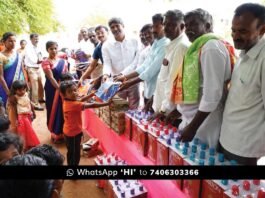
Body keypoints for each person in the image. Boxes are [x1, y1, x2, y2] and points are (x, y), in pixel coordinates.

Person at [170, 8, 235, 148]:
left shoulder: (211, 47)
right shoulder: (200, 46)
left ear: (207, 26)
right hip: (194, 119)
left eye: (193, 24)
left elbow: (212, 95)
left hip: (205, 122)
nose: (188, 29)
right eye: (186, 25)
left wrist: (192, 127)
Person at [219, 3, 265, 165]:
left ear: (262, 30)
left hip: (245, 147)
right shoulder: (245, 51)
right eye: (233, 30)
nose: (235, 36)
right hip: (227, 138)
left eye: (243, 31)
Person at [117, 14, 170, 111]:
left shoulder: (165, 44)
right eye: (153, 26)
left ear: (164, 26)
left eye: (157, 26)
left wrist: (129, 82)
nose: (154, 30)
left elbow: (151, 70)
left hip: (158, 93)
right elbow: (145, 66)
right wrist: (125, 77)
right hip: (149, 90)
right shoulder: (156, 43)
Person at [151, 10, 190, 123]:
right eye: (165, 24)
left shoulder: (181, 47)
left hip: (170, 113)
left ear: (182, 26)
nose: (166, 28)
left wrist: (163, 110)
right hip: (163, 109)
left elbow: (174, 83)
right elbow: (163, 78)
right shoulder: (171, 44)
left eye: (171, 24)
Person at [60, 80, 109, 165]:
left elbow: (81, 99)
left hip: (68, 132)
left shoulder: (67, 101)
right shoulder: (74, 105)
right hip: (73, 133)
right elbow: (92, 105)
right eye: (70, 92)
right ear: (64, 95)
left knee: (71, 152)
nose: (74, 93)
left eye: (75, 90)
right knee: (75, 153)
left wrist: (92, 94)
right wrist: (106, 104)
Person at [102, 17, 140, 109]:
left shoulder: (134, 41)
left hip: (132, 80)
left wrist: (123, 74)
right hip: (116, 83)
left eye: (117, 26)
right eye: (112, 27)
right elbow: (107, 63)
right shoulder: (106, 45)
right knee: (119, 110)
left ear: (123, 26)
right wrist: (106, 74)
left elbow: (136, 61)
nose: (115, 29)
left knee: (134, 110)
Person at [42, 41, 68, 143]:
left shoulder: (63, 61)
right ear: (47, 50)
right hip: (51, 89)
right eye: (51, 49)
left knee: (63, 109)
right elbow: (51, 78)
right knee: (53, 109)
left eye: (55, 48)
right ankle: (55, 133)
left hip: (63, 88)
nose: (54, 50)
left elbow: (66, 75)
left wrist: (66, 89)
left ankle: (64, 132)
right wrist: (60, 89)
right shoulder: (46, 62)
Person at [0, 32, 25, 132]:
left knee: (21, 111)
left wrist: (26, 85)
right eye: (10, 41)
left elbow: (22, 70)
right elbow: (1, 77)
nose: (13, 43)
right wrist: (9, 94)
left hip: (20, 88)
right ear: (3, 42)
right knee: (9, 113)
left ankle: (22, 134)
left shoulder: (18, 55)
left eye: (14, 41)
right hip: (6, 89)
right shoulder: (1, 57)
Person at [9, 80, 40, 150]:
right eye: (19, 90)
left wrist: (33, 112)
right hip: (21, 117)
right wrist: (16, 119)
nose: (22, 91)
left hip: (28, 115)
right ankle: (24, 146)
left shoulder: (26, 94)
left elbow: (30, 104)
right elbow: (14, 110)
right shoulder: (15, 98)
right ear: (15, 90)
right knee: (23, 132)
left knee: (28, 130)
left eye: (24, 89)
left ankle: (29, 144)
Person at [24, 33, 45, 110]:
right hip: (31, 68)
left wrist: (42, 60)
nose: (37, 39)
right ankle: (35, 104)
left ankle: (41, 99)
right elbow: (34, 59)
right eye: (35, 38)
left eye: (37, 38)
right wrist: (42, 60)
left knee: (40, 84)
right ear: (31, 39)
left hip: (38, 68)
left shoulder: (38, 47)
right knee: (34, 86)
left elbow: (42, 56)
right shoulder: (28, 48)